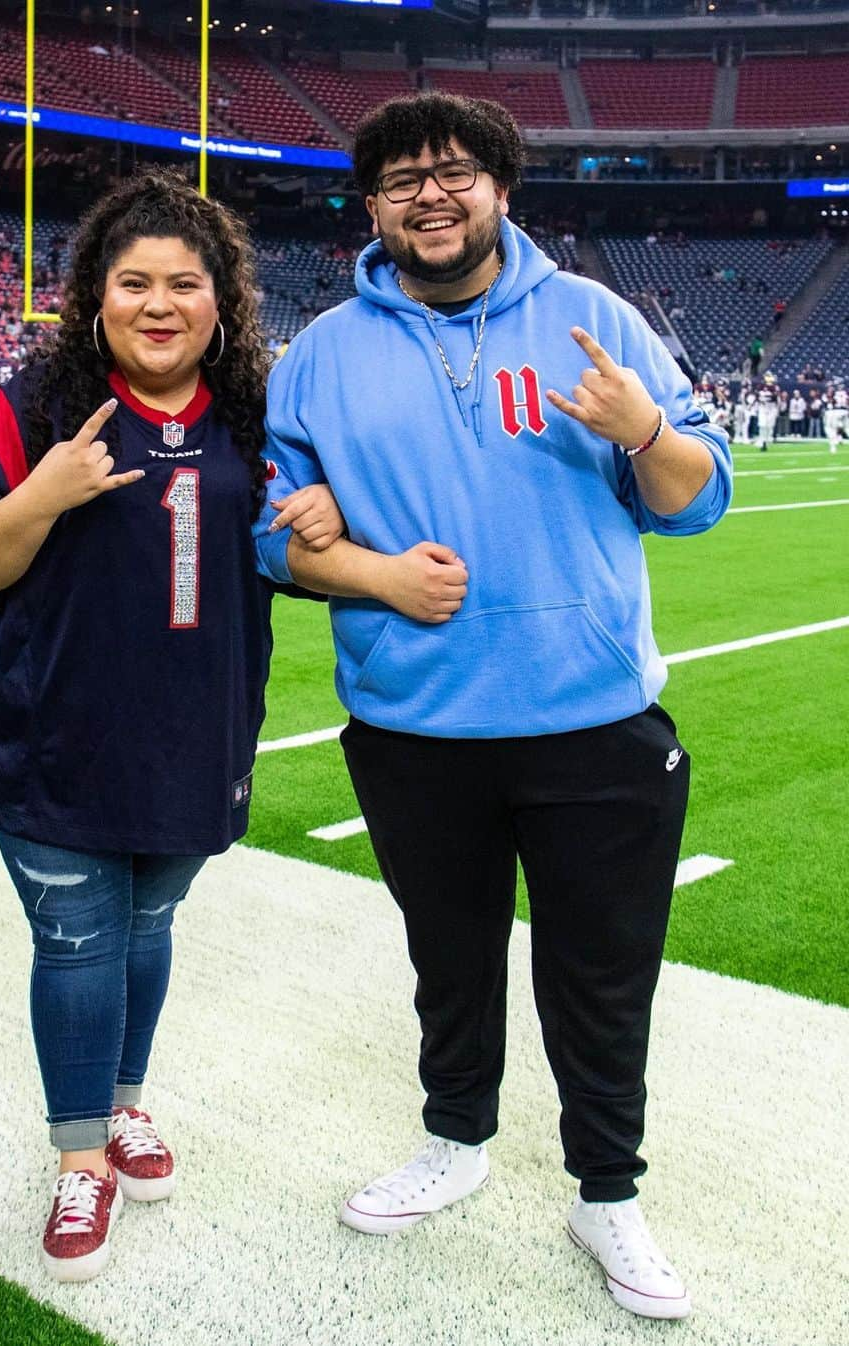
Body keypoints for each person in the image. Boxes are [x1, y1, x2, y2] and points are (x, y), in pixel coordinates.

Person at [255, 93, 732, 1323]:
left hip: (595, 719)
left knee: (604, 974)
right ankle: (456, 1136)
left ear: (501, 188)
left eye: (454, 170)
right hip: (417, 726)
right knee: (448, 960)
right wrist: (356, 562)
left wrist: (642, 432)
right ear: (371, 204)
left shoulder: (592, 315)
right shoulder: (319, 355)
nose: (431, 193)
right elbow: (276, 540)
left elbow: (697, 495)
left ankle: (606, 1191)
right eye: (402, 177)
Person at [0, 169, 339, 1285]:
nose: (160, 304)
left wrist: (329, 514)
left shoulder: (258, 414)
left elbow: (294, 554)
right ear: (95, 296)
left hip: (197, 733)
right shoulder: (37, 404)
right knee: (76, 938)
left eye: (185, 283)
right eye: (135, 282)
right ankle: (77, 1155)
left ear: (222, 299)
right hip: (47, 729)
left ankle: (123, 1102)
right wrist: (45, 490)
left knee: (148, 928)